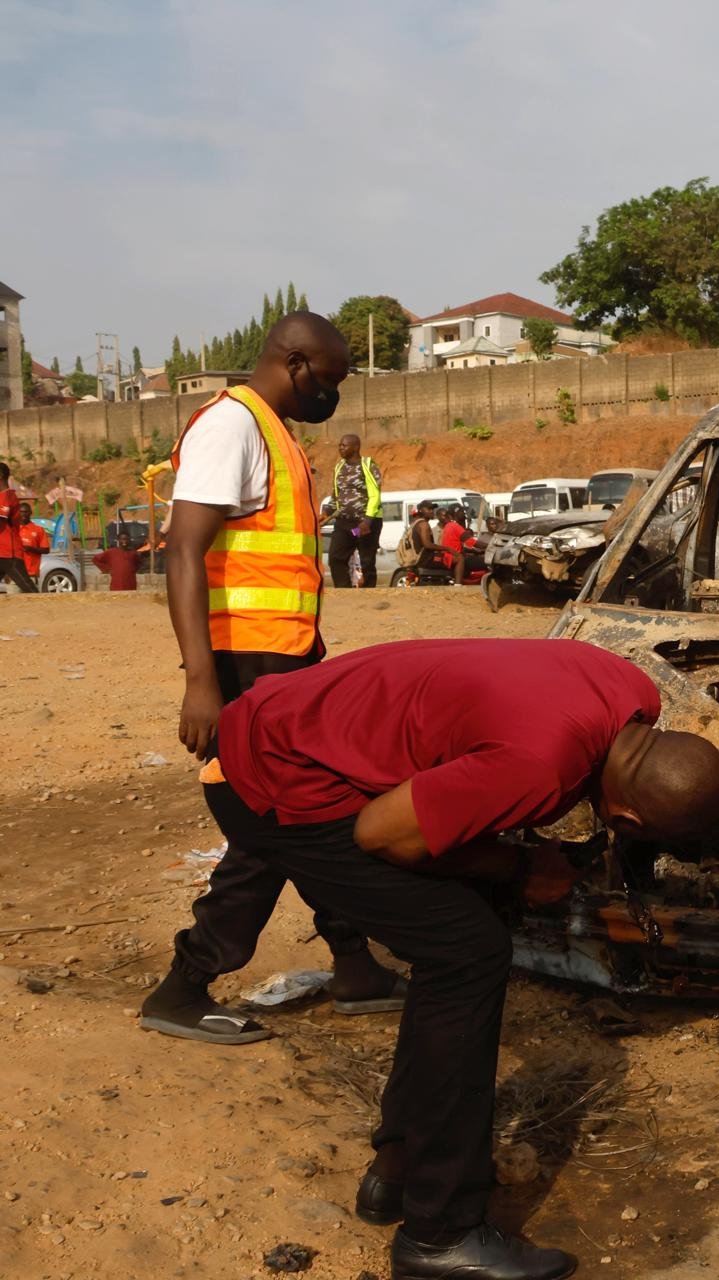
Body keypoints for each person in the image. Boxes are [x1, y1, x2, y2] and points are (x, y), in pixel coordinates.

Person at [200, 637, 719, 1279]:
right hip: (273, 775)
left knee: (458, 943)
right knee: (466, 953)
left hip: (294, 721)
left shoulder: (627, 688)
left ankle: (397, 1170)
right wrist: (522, 866)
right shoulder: (540, 767)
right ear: (624, 814)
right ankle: (440, 1233)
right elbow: (379, 834)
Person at [140, 311, 405, 1045]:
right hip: (244, 665)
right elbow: (184, 553)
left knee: (317, 807)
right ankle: (185, 986)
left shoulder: (274, 432)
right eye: (330, 380)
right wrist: (201, 680)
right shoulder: (234, 428)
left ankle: (354, 966)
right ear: (294, 363)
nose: (334, 396)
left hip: (285, 661)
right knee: (274, 823)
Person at [329, 433, 383, 588]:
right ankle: (343, 590)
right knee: (336, 557)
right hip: (345, 524)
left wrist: (367, 520)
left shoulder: (367, 465)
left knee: (366, 559)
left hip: (363, 524)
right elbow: (336, 494)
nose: (340, 448)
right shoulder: (339, 467)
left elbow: (375, 494)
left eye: (344, 445)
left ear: (356, 447)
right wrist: (327, 510)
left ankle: (368, 593)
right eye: (340, 445)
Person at [0, 461, 34, 593]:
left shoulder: (7, 496)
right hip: (2, 552)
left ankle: (49, 612)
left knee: (30, 590)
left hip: (9, 554)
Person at [438, 504, 474, 582]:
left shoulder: (450, 525)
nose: (464, 513)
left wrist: (473, 551)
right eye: (462, 511)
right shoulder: (454, 526)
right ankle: (458, 584)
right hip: (454, 557)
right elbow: (472, 542)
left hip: (453, 555)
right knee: (483, 562)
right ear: (456, 513)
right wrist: (488, 545)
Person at [17, 501, 50, 582]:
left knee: (31, 595)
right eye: (21, 512)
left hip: (31, 574)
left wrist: (31, 549)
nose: (23, 514)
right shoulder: (12, 529)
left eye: (26, 512)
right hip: (15, 575)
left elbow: (46, 550)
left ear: (30, 513)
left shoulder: (38, 529)